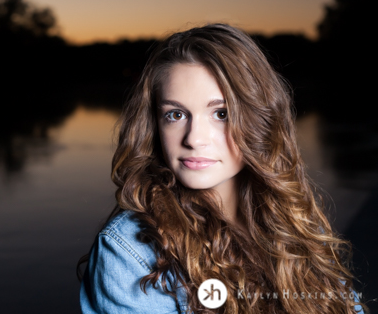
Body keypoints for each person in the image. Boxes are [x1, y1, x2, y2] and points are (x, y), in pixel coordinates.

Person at [78, 24, 365, 313]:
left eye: (221, 113)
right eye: (175, 114)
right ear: (155, 124)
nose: (194, 138)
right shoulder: (130, 250)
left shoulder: (292, 221)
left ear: (257, 119)